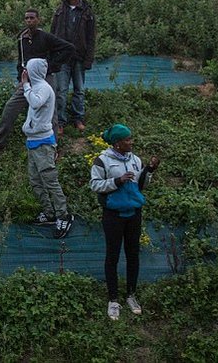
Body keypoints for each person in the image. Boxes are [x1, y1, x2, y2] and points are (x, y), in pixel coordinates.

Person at [89, 124, 160, 320]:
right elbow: (95, 185)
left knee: (133, 254)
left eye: (131, 138)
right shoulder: (102, 161)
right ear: (117, 143)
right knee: (112, 256)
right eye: (127, 140)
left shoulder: (135, 160)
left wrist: (150, 170)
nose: (131, 142)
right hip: (113, 215)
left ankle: (131, 295)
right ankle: (113, 299)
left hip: (134, 213)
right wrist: (117, 181)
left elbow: (140, 186)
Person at [0, 9, 73, 151]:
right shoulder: (22, 38)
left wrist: (51, 66)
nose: (29, 20)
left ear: (38, 20)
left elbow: (68, 48)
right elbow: (21, 60)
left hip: (45, 78)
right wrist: (21, 77)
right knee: (10, 107)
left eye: (32, 18)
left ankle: (53, 147)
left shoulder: (45, 37)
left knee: (51, 114)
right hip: (28, 79)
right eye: (26, 18)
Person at [22, 58, 73, 238]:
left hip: (43, 142)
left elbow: (36, 103)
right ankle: (49, 212)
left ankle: (63, 215)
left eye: (27, 68)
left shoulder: (43, 88)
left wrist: (25, 86)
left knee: (50, 181)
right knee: (35, 180)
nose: (25, 71)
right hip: (33, 141)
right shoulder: (36, 87)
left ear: (33, 70)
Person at [50, 0, 96, 135]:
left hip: (79, 57)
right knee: (61, 91)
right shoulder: (60, 10)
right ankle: (60, 121)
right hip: (62, 57)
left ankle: (78, 119)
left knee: (79, 90)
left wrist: (88, 59)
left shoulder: (87, 12)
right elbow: (53, 32)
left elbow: (91, 38)